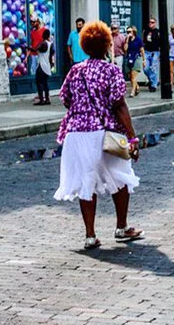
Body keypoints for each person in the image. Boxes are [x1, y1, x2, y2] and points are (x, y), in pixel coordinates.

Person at [54, 20, 143, 249]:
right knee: (120, 175)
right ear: (106, 45)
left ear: (84, 45)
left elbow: (65, 98)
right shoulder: (111, 70)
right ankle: (121, 226)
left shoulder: (76, 70)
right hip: (104, 131)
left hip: (76, 133)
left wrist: (82, 110)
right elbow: (119, 104)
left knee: (86, 181)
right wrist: (132, 137)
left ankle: (90, 235)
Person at [28, 17, 52, 106]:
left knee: (39, 82)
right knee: (45, 83)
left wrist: (28, 48)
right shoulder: (50, 44)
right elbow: (51, 55)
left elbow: (35, 50)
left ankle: (42, 99)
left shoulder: (43, 44)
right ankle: (47, 98)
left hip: (41, 65)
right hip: (47, 65)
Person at [142, 18, 163, 92]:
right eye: (150, 22)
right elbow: (143, 41)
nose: (151, 23)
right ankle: (153, 79)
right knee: (145, 68)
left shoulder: (158, 32)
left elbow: (161, 42)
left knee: (154, 68)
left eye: (152, 22)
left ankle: (153, 85)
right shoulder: (146, 31)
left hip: (155, 51)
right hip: (147, 51)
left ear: (155, 23)